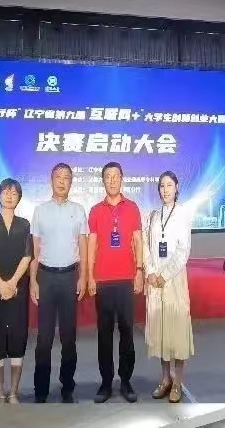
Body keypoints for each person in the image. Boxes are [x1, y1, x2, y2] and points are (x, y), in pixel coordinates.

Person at [30, 163, 88, 403]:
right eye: (58, 177)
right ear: (51, 180)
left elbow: (83, 247)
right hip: (45, 277)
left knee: (68, 337)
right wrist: (33, 281)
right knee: (44, 339)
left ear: (71, 182)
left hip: (69, 277)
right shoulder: (40, 211)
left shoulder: (78, 210)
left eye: (66, 178)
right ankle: (41, 389)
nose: (62, 181)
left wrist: (83, 276)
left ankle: (67, 387)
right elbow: (35, 251)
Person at [88, 162, 143, 403]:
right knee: (104, 334)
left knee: (127, 332)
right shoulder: (95, 210)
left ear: (122, 179)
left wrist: (139, 271)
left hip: (126, 278)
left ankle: (126, 381)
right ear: (103, 180)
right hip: (103, 280)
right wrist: (90, 276)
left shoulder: (132, 208)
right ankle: (106, 382)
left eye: (116, 176)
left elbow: (138, 240)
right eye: (108, 176)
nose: (112, 180)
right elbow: (92, 244)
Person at [142, 171, 194, 403]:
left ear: (177, 187)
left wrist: (164, 275)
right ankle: (165, 379)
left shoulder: (182, 214)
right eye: (162, 186)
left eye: (169, 185)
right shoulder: (153, 215)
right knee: (161, 332)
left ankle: (178, 382)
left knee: (177, 331)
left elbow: (183, 250)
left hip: (174, 281)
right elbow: (146, 245)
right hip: (155, 282)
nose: (165, 190)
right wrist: (151, 271)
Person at [0, 178, 33, 403]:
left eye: (14, 193)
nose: (9, 196)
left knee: (18, 336)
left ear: (19, 197)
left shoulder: (25, 224)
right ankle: (0, 391)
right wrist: (2, 284)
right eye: (6, 192)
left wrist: (12, 283)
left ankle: (13, 391)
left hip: (18, 289)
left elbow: (27, 255)